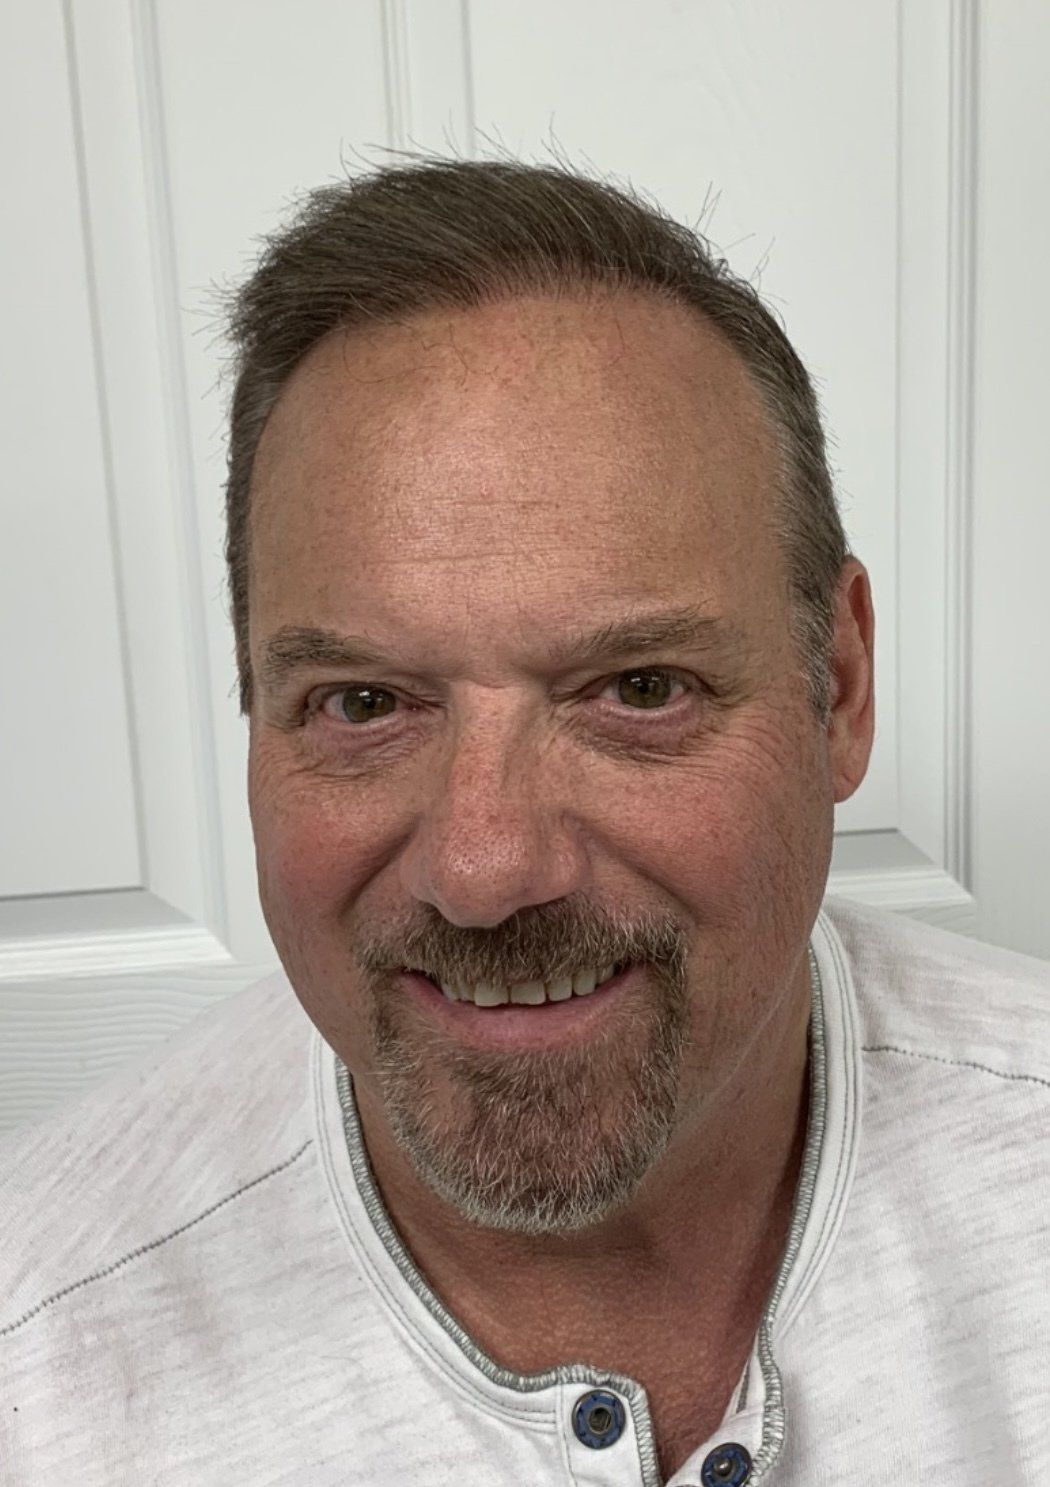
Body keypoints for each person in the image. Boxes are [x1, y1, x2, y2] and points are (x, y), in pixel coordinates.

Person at [2, 156, 1048, 1487]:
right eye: (364, 699)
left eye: (638, 689)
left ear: (835, 686)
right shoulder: (35, 1361)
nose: (485, 866)